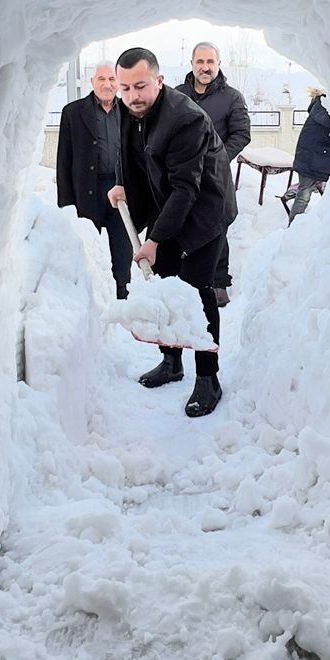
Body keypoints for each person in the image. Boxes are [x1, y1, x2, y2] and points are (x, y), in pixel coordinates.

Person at [108, 47, 237, 417]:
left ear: (159, 81)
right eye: (125, 88)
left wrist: (153, 240)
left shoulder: (185, 119)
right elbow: (129, 155)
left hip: (205, 211)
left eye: (141, 86)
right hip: (169, 205)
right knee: (164, 282)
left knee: (197, 291)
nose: (133, 95)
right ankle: (171, 361)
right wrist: (122, 184)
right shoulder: (128, 108)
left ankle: (208, 378)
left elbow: (186, 190)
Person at [176, 41, 250, 302]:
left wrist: (218, 160)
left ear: (218, 64)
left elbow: (241, 134)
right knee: (181, 224)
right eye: (200, 61)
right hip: (182, 176)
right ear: (192, 64)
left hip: (216, 179)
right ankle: (182, 279)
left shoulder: (232, 97)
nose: (205, 67)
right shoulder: (177, 95)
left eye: (210, 62)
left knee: (216, 226)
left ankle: (218, 282)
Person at [54, 62, 132, 298]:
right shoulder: (73, 112)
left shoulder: (130, 111)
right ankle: (91, 296)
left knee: (123, 247)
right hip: (88, 190)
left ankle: (122, 292)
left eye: (112, 79)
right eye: (101, 79)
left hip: (120, 190)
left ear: (119, 83)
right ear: (92, 82)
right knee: (88, 248)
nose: (107, 84)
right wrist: (66, 205)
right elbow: (63, 160)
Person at [287, 87, 330, 220]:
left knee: (310, 194)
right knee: (303, 196)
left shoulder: (322, 107)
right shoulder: (321, 107)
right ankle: (293, 228)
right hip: (309, 160)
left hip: (317, 159)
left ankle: (326, 224)